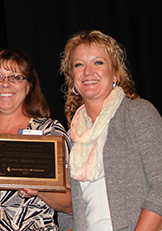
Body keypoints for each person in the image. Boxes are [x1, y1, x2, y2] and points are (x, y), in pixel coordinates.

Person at [0, 48, 72, 231]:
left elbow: (71, 205)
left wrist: (39, 189)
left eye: (16, 77)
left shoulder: (49, 132)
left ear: (28, 87)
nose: (5, 84)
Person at [58, 30, 162, 231]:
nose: (88, 72)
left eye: (98, 62)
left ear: (115, 73)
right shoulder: (74, 136)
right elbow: (68, 214)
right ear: (72, 79)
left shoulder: (137, 113)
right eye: (79, 65)